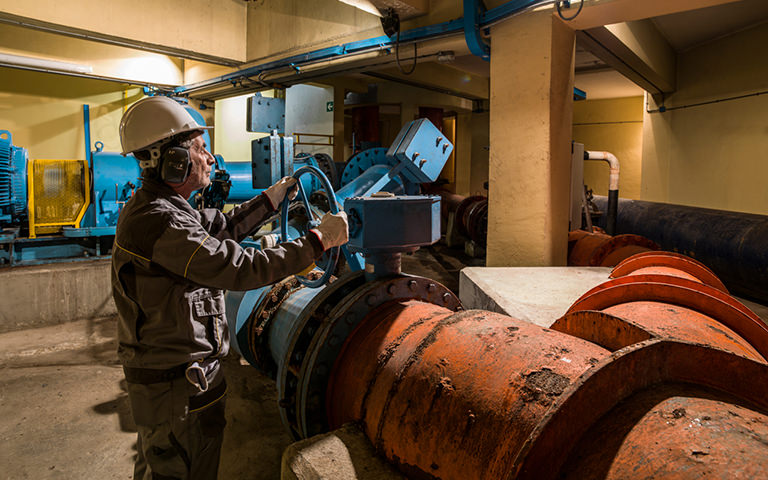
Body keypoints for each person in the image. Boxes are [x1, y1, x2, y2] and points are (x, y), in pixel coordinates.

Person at [111, 96, 348, 480]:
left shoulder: (165, 207)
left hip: (179, 380)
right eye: (200, 150)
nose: (209, 158)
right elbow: (238, 268)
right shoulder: (158, 220)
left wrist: (271, 200)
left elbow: (220, 228)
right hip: (177, 389)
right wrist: (318, 241)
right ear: (175, 162)